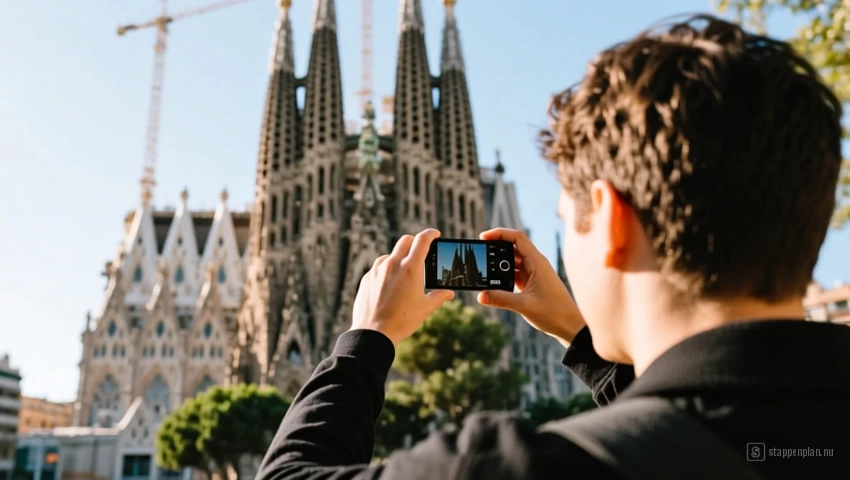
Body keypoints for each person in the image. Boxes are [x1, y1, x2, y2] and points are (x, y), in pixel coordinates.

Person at [255, 14, 850, 479]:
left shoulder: (520, 468)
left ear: (613, 223)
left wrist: (368, 341)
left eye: (569, 222)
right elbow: (715, 417)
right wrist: (581, 337)